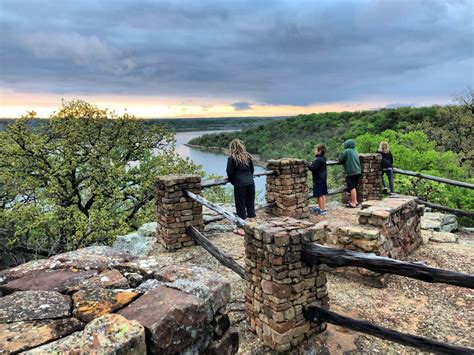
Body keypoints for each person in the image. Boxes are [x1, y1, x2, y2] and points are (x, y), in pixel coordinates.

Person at [226, 139, 256, 236]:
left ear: (232, 147)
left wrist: (234, 182)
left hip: (240, 184)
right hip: (250, 183)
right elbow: (252, 170)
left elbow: (229, 173)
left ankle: (241, 229)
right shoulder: (248, 156)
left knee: (240, 206)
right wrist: (248, 178)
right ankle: (254, 225)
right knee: (250, 204)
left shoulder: (232, 158)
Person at [338, 139, 361, 208]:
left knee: (351, 187)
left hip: (351, 172)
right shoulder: (355, 151)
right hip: (358, 171)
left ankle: (353, 202)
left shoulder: (347, 151)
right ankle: (355, 201)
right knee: (354, 186)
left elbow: (340, 159)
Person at [308, 144, 328, 215]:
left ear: (319, 151)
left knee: (319, 195)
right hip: (323, 179)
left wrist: (307, 165)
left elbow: (313, 168)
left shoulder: (318, 160)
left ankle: (321, 210)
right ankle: (323, 208)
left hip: (318, 179)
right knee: (322, 194)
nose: (314, 151)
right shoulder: (323, 158)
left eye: (315, 150)